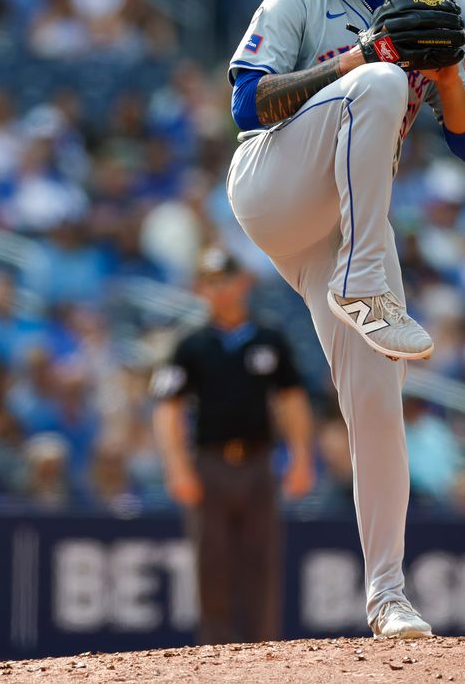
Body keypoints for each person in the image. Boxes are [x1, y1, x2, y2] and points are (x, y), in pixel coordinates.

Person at [224, 0, 465, 638]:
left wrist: (444, 74)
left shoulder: (428, 13)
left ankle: (387, 594)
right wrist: (354, 61)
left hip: (345, 224)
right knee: (376, 80)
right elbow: (246, 105)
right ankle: (366, 281)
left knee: (379, 402)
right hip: (275, 185)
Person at [151, 247, 314, 645]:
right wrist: (176, 468)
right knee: (212, 561)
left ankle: (263, 650)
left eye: (226, 279)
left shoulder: (268, 339)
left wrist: (301, 459)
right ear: (201, 288)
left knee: (262, 559)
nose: (220, 289)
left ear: (243, 283)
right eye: (211, 281)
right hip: (209, 463)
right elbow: (166, 409)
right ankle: (214, 650)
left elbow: (292, 399)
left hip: (259, 461)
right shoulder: (190, 345)